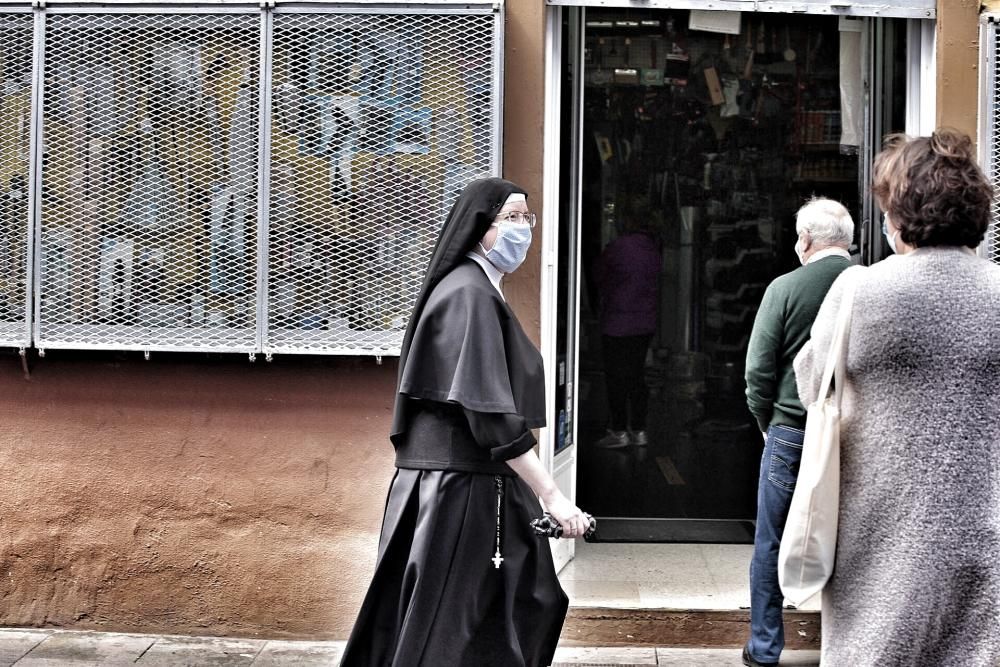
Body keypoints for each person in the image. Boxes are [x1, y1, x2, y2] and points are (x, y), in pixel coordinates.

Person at [341, 178, 591, 667]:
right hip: (461, 491)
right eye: (512, 218)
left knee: (481, 618)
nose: (524, 229)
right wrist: (553, 495)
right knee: (452, 630)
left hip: (465, 487)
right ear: (481, 228)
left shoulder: (473, 290)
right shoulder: (468, 295)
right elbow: (490, 414)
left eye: (527, 219)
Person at [793, 129, 1000, 665]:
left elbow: (812, 384)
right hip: (986, 545)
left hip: (881, 543)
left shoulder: (859, 291)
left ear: (898, 216)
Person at [742, 197, 853, 667]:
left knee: (771, 539)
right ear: (848, 241)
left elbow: (757, 373)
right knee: (854, 539)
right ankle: (845, 646)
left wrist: (770, 425)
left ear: (805, 240)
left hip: (792, 430)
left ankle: (765, 647)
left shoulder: (785, 288)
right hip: (855, 435)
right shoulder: (868, 287)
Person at [593, 203, 662, 448]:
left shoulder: (618, 248)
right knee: (636, 376)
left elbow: (600, 276)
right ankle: (640, 429)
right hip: (644, 324)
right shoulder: (653, 250)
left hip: (616, 323)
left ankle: (619, 430)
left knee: (616, 378)